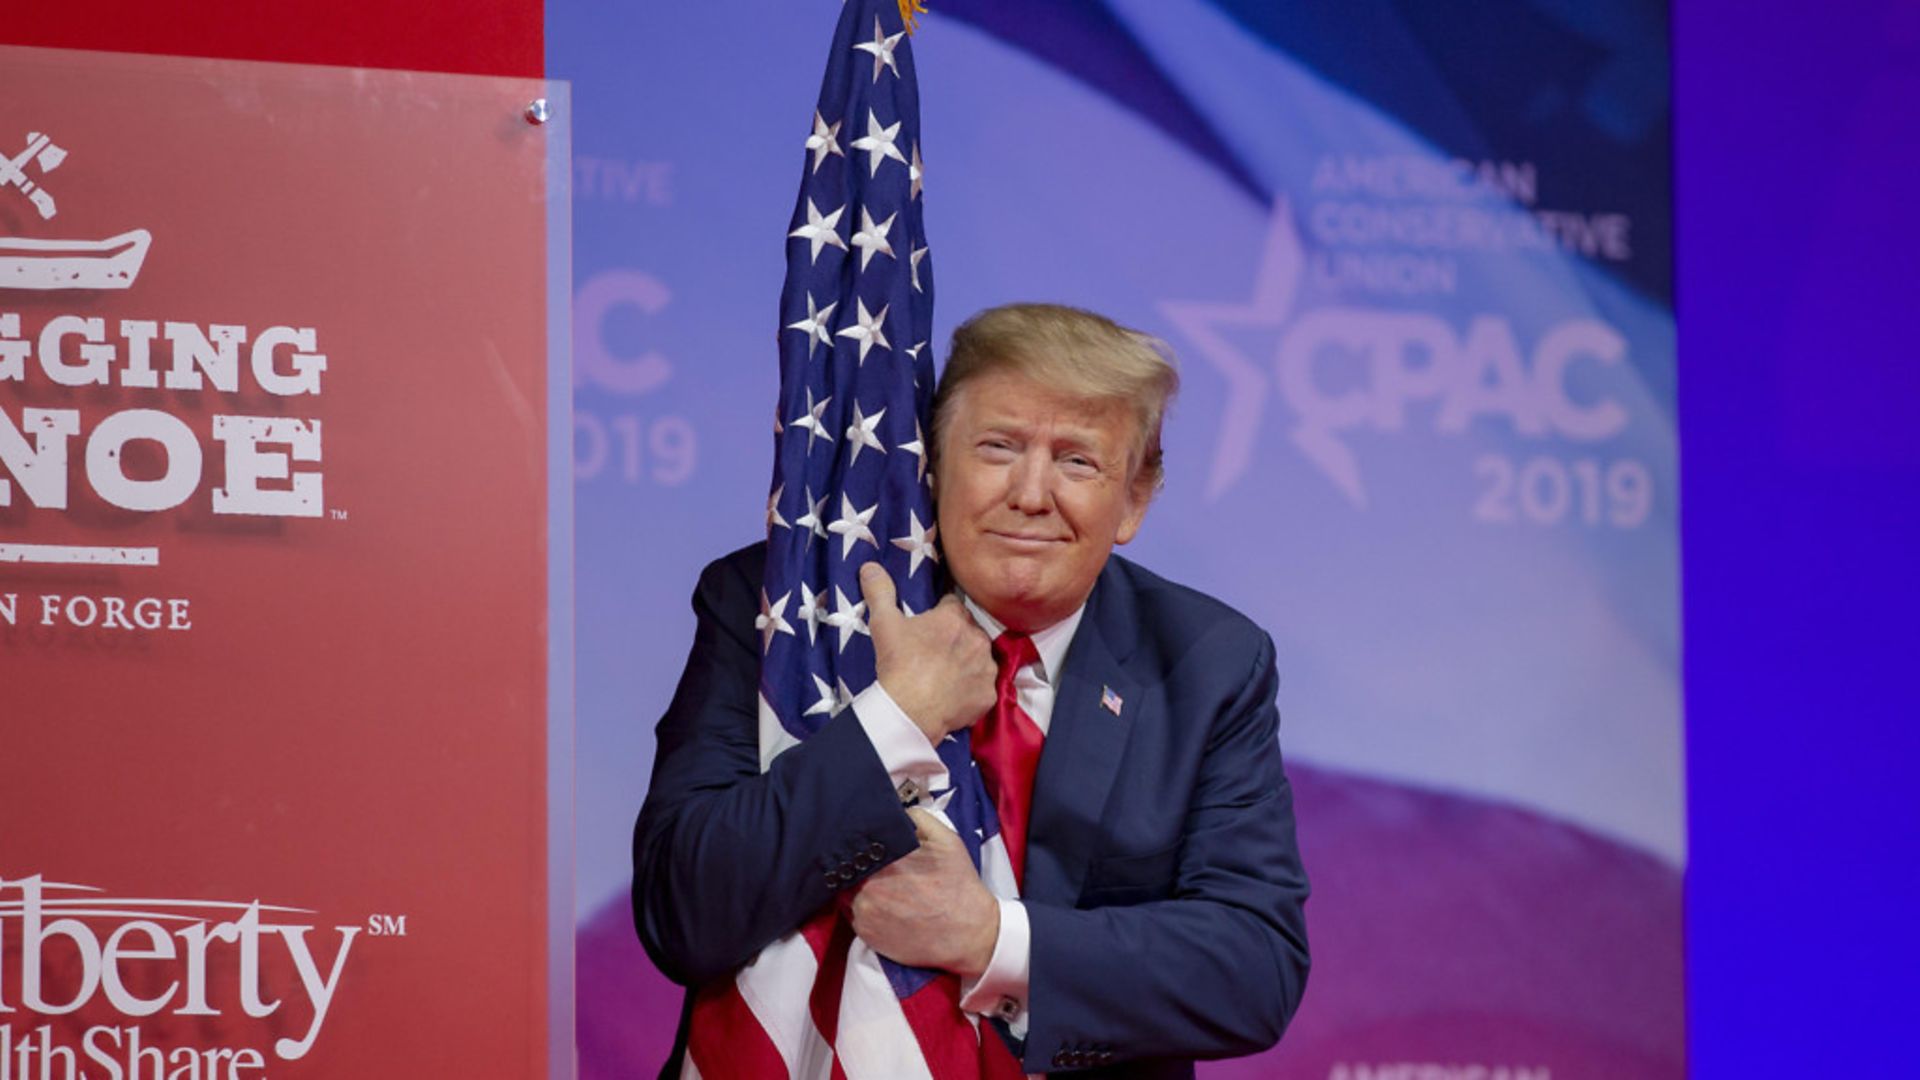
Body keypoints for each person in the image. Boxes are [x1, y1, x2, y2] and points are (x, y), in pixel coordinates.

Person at [633, 303, 1310, 1076]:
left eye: (1078, 461)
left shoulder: (1208, 663)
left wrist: (989, 939)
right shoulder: (782, 613)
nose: (1030, 493)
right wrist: (895, 720)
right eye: (999, 447)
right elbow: (681, 911)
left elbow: (1255, 970)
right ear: (931, 462)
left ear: (1135, 499)